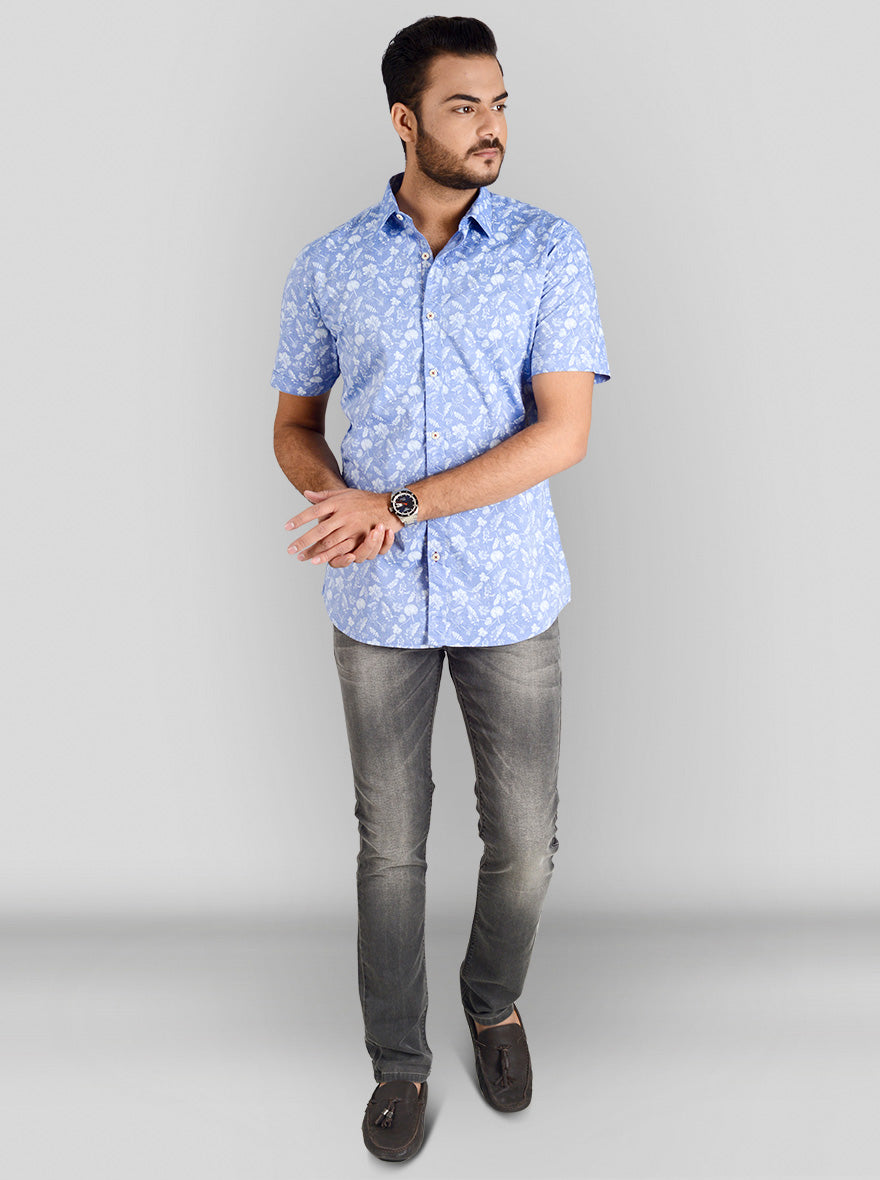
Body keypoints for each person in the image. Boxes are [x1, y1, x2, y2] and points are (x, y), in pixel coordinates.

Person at [271, 15, 610, 1163]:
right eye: (465, 107)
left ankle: (492, 1003)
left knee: (525, 841)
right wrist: (336, 500)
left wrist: (399, 502)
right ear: (404, 121)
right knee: (390, 845)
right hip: (374, 606)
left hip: (509, 594)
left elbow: (562, 434)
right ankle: (397, 1063)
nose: (491, 127)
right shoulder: (328, 263)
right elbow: (295, 425)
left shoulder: (547, 249)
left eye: (499, 104)